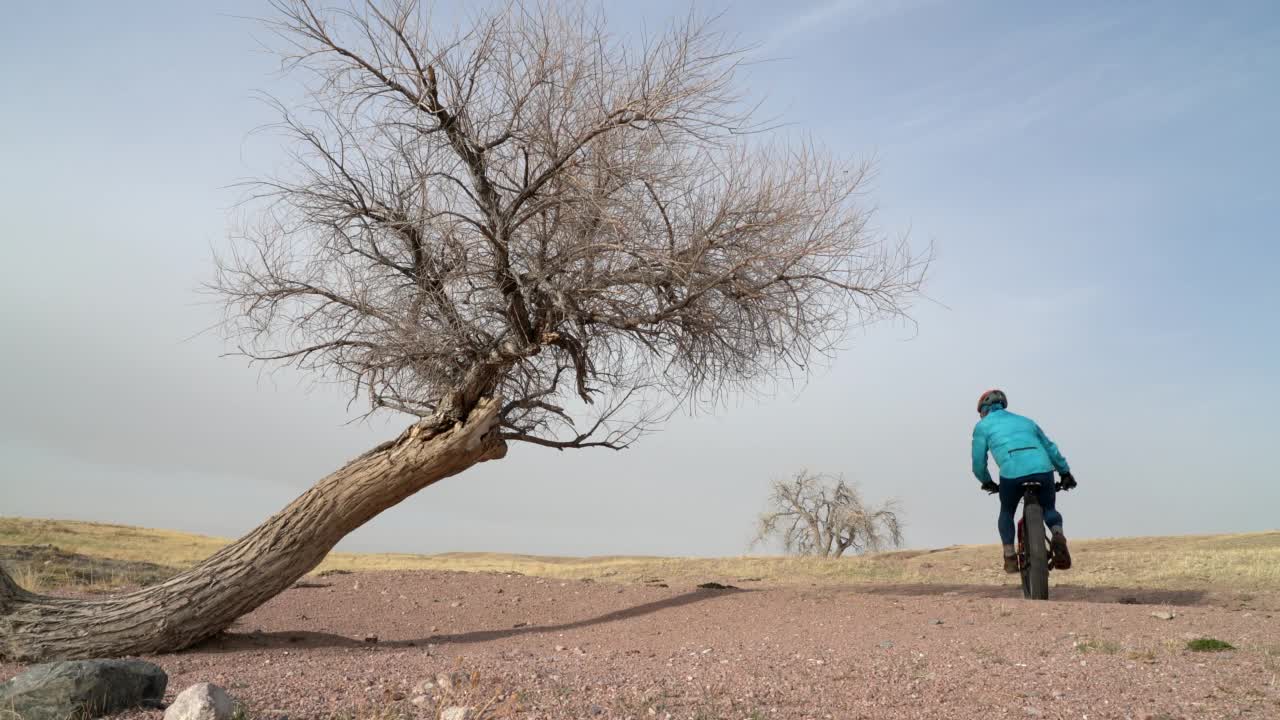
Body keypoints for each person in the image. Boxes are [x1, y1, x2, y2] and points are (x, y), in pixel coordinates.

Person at [971, 389, 1077, 573]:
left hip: (1011, 473)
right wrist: (1065, 473)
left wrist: (986, 481)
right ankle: (1058, 535)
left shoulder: (983, 426)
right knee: (1049, 509)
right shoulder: (1026, 421)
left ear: (984, 409)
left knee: (1006, 512)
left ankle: (1010, 556)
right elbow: (1051, 448)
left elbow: (978, 463)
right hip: (1042, 469)